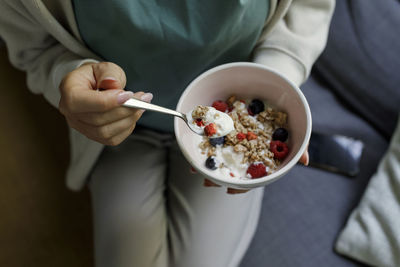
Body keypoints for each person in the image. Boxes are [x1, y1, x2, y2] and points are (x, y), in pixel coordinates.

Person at [0, 0, 334, 266]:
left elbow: (306, 9)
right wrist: (72, 79)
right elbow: (35, 45)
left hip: (236, 121)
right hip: (124, 132)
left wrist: (275, 80)